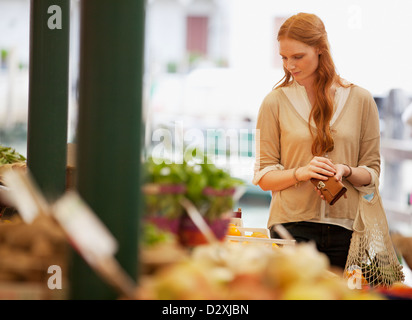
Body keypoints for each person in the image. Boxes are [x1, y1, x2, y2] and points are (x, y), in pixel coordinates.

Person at [253, 12, 381, 269]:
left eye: (298, 56)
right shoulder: (274, 102)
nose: (290, 65)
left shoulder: (361, 100)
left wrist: (345, 171)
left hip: (347, 230)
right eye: (284, 58)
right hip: (290, 226)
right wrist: (300, 172)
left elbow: (373, 173)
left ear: (321, 49)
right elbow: (263, 175)